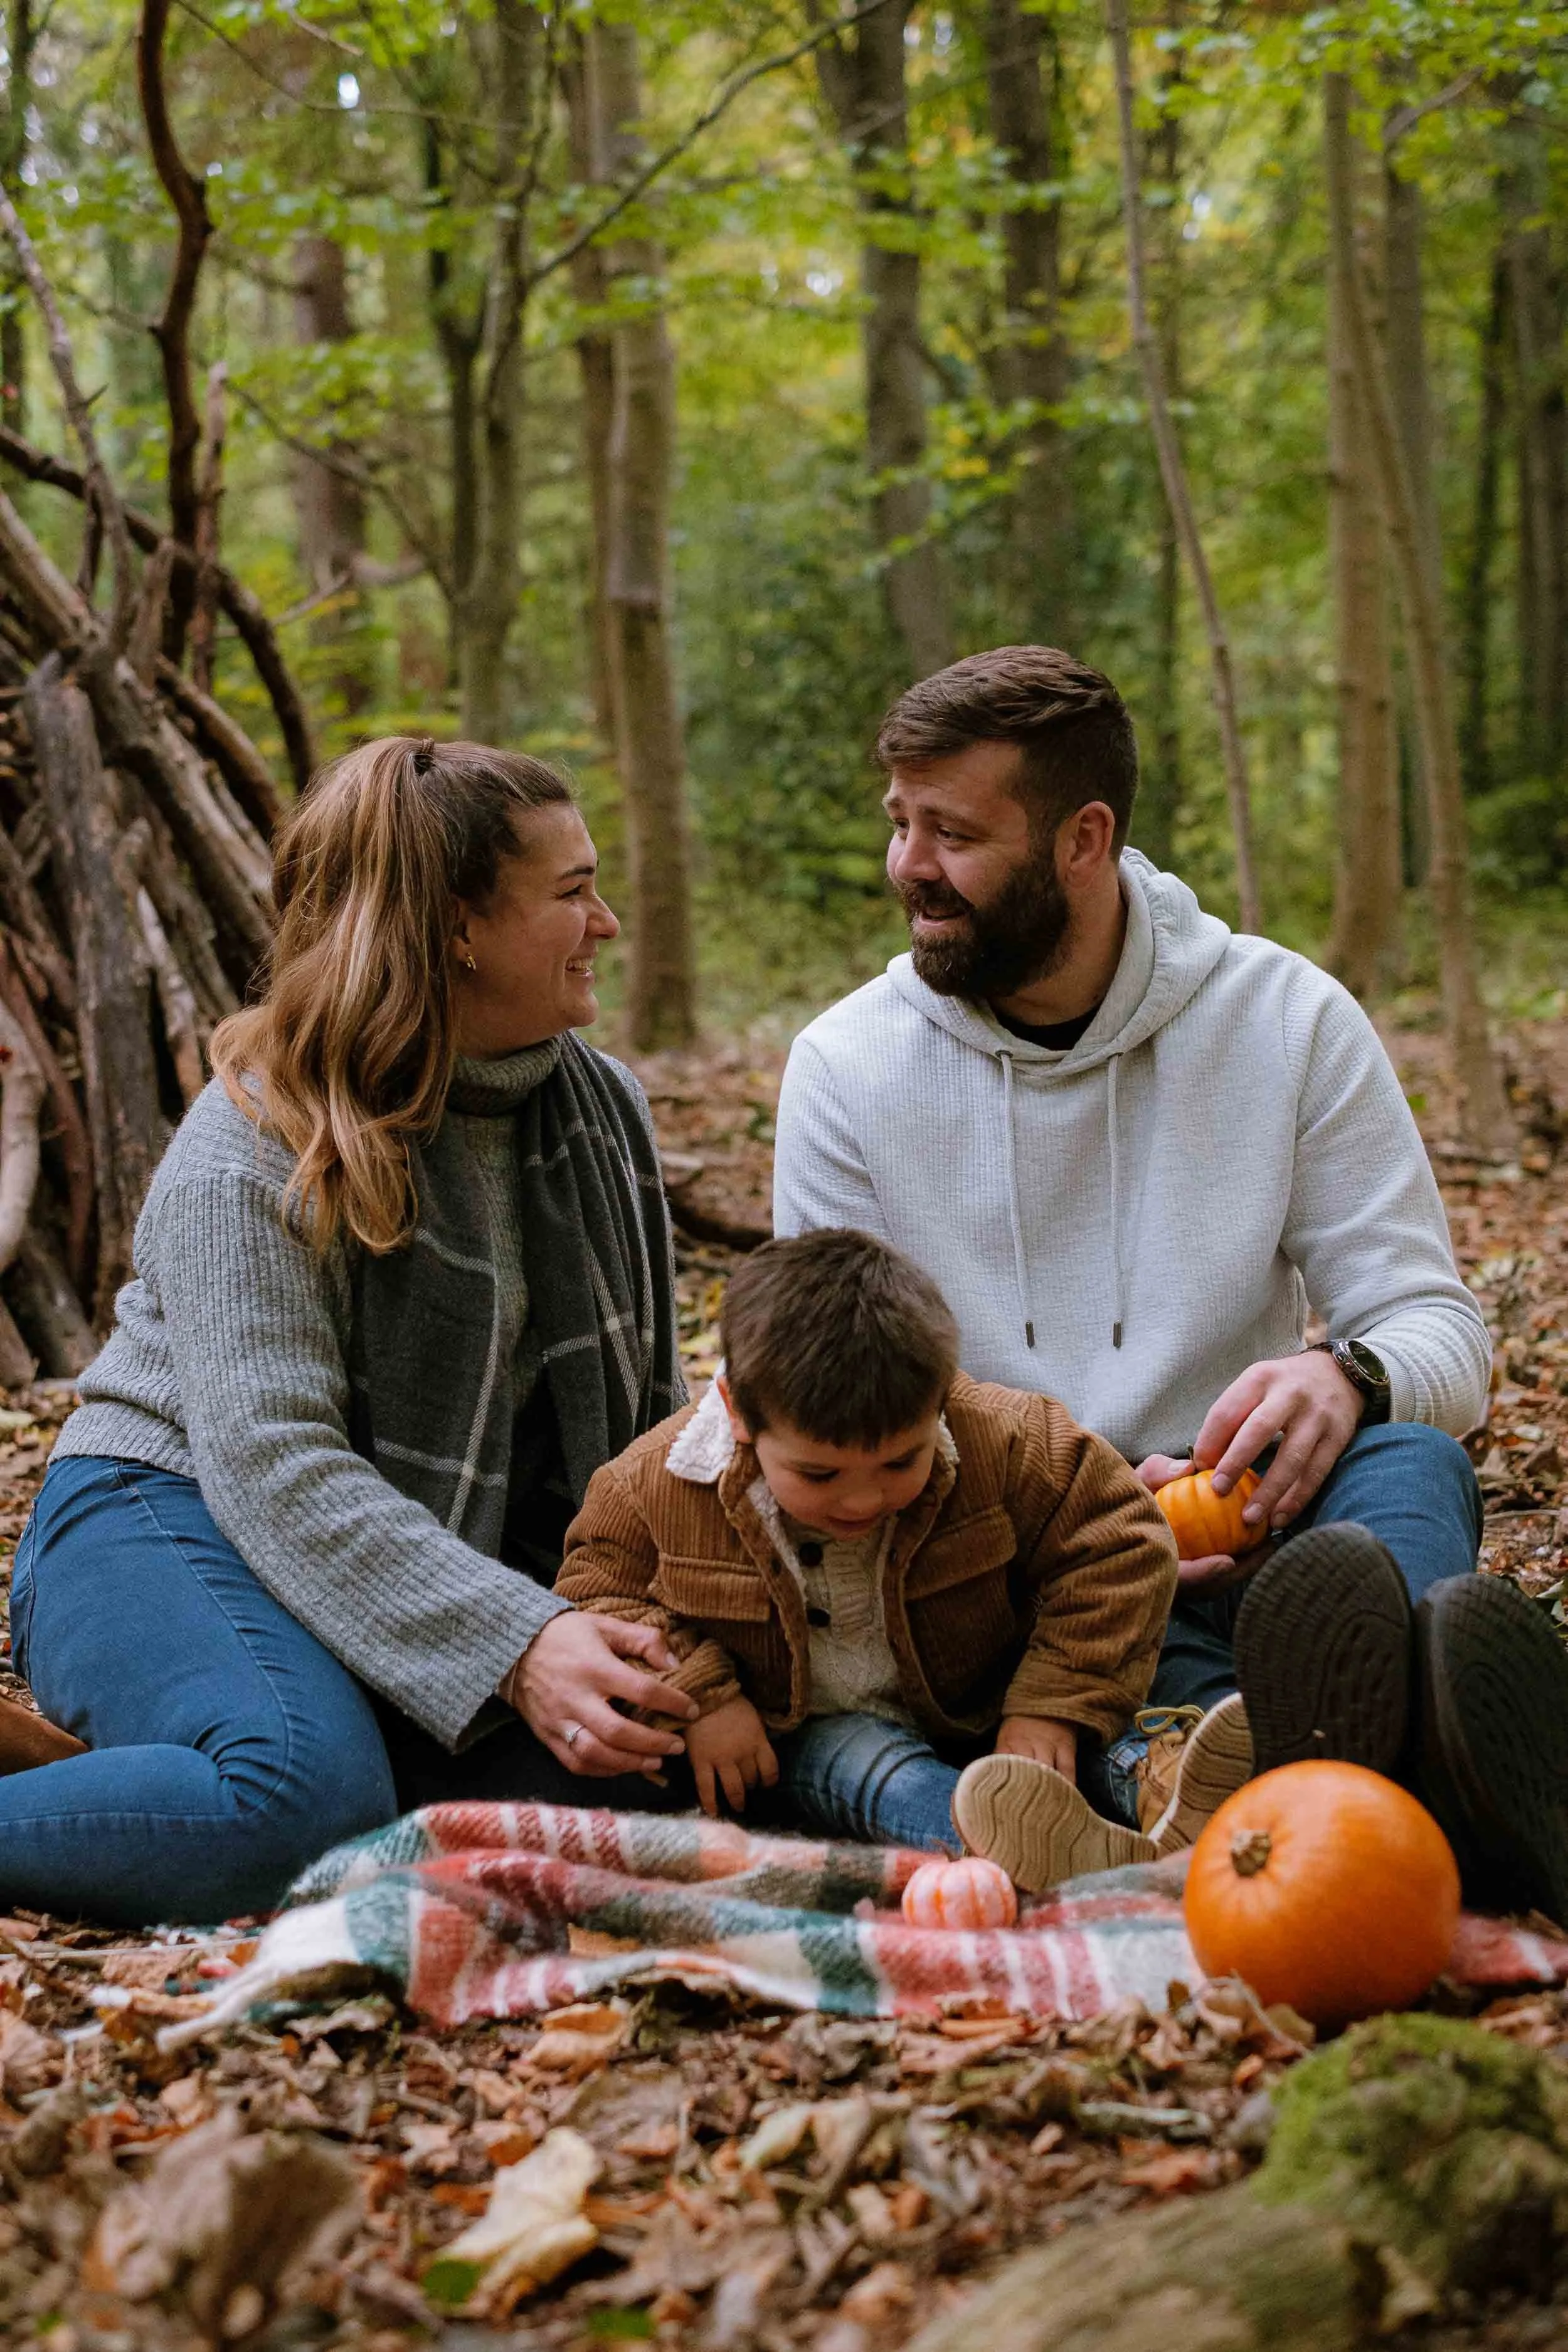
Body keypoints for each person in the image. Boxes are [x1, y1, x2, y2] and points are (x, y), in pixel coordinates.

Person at [773, 646, 1568, 1922]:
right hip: (1006, 1567)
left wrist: (1345, 1374)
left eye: (952, 833)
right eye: (900, 824)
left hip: (1249, 1536)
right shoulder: (846, 1069)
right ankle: (1384, 1784)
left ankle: (1334, 1749)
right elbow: (817, 1399)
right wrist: (1080, 1502)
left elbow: (1439, 1337)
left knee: (1413, 1462)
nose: (907, 867)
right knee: (998, 1641)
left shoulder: (1284, 1019)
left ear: (1082, 839)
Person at [0, 737, 699, 1927]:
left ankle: (121, 1780)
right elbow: (272, 1464)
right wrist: (523, 1645)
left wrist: (661, 1640)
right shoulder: (256, 1139)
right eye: (573, 895)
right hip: (161, 1510)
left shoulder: (599, 1110)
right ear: (458, 930)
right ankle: (202, 1761)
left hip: (411, 1551)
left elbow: (650, 1440)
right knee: (296, 1801)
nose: (610, 923)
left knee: (646, 1791)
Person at [556, 1227, 1251, 1891]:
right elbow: (597, 1597)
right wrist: (702, 1692)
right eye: (820, 1475)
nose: (861, 1501)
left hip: (996, 1688)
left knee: (1111, 1707)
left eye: (899, 1462)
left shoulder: (1005, 1440)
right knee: (869, 1769)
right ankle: (1001, 1841)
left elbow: (1121, 1538)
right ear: (738, 1413)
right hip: (813, 1726)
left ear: (940, 1395)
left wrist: (1053, 1704)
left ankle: (1170, 1790)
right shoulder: (651, 1487)